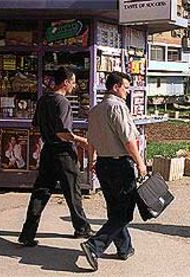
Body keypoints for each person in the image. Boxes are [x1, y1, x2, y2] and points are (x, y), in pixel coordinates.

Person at [18, 67, 94, 247]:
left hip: (48, 151)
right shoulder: (63, 103)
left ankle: (27, 233)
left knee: (40, 192)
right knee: (72, 191)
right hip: (63, 153)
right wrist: (81, 140)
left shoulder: (43, 99)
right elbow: (63, 132)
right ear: (66, 82)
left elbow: (35, 125)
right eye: (73, 82)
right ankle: (81, 227)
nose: (74, 86)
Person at [80, 71, 147, 271]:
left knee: (115, 208)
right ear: (116, 87)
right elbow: (128, 140)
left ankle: (124, 248)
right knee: (125, 213)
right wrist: (140, 162)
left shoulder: (96, 109)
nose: (127, 92)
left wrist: (92, 160)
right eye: (126, 87)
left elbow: (90, 139)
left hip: (103, 163)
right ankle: (94, 245)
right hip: (120, 165)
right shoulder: (117, 107)